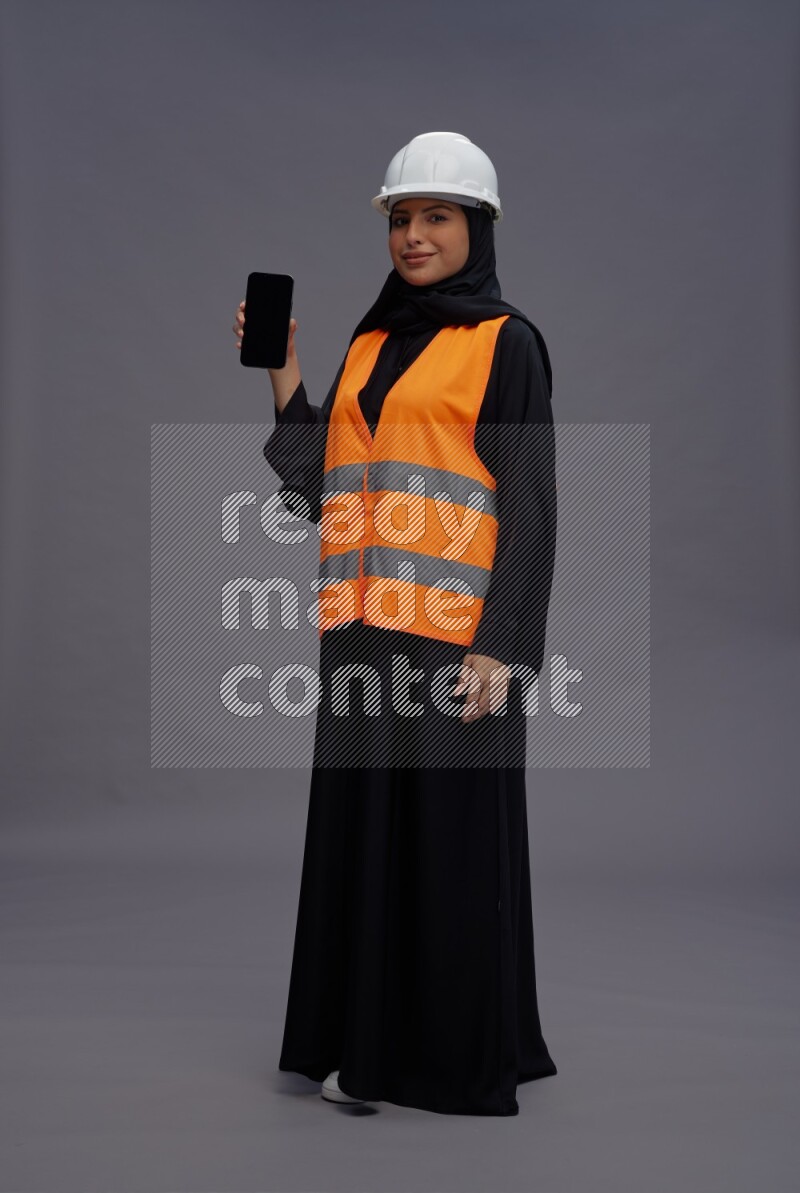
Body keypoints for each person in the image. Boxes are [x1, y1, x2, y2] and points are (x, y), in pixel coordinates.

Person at [233, 131, 558, 1116]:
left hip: (456, 642)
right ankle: (361, 1045)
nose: (413, 237)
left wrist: (502, 646)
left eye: (435, 217)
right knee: (366, 840)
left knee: (451, 852)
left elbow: (532, 502)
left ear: (476, 228)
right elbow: (319, 493)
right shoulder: (368, 343)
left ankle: (453, 1058)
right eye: (401, 219)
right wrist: (285, 375)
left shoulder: (506, 343)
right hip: (360, 639)